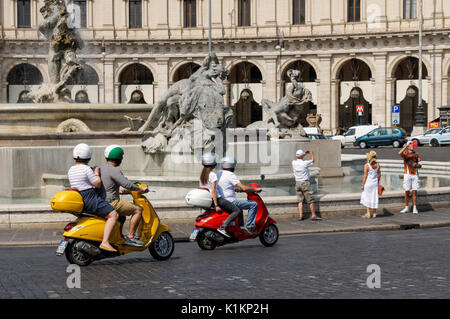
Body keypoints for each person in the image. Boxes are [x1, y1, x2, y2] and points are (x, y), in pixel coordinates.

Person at [67, 143, 119, 252]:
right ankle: (105, 242)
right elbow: (97, 184)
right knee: (114, 215)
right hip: (90, 197)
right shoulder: (86, 169)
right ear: (88, 156)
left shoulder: (71, 169)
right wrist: (96, 173)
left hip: (79, 197)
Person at [99, 145, 148, 247]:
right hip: (112, 203)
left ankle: (118, 237)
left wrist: (122, 191)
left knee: (122, 218)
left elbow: (110, 187)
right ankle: (131, 237)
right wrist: (140, 189)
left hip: (102, 202)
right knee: (138, 210)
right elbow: (127, 184)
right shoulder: (114, 170)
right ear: (120, 158)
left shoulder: (101, 169)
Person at [199, 153, 242, 238]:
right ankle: (223, 227)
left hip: (207, 199)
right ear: (213, 163)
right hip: (217, 199)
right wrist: (216, 205)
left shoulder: (202, 175)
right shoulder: (213, 175)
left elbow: (200, 187)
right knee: (237, 211)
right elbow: (214, 191)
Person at [216, 156, 262, 235]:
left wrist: (236, 189)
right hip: (230, 201)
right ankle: (249, 227)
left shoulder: (219, 173)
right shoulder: (230, 175)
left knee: (240, 207)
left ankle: (240, 227)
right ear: (232, 166)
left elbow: (224, 187)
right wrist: (255, 189)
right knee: (253, 204)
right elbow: (244, 188)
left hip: (222, 200)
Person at [292, 149, 322, 221]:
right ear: (302, 156)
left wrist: (303, 154)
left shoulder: (293, 162)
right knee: (310, 200)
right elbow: (313, 160)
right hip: (305, 183)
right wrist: (311, 153)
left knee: (300, 201)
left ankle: (301, 216)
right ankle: (313, 215)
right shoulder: (305, 163)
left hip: (297, 183)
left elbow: (300, 157)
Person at [398, 141, 422, 214]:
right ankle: (406, 207)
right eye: (410, 144)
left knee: (414, 191)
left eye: (412, 144)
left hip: (415, 174)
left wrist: (417, 165)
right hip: (407, 174)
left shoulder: (416, 154)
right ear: (408, 146)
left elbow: (420, 164)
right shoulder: (405, 153)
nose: (412, 145)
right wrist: (405, 146)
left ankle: (414, 207)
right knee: (407, 191)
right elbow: (399, 153)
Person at [360, 151, 381, 218]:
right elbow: (379, 174)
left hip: (368, 184)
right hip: (375, 183)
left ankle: (368, 213)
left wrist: (363, 185)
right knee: (374, 197)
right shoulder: (377, 165)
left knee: (367, 197)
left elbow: (365, 176)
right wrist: (377, 181)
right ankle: (374, 213)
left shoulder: (367, 165)